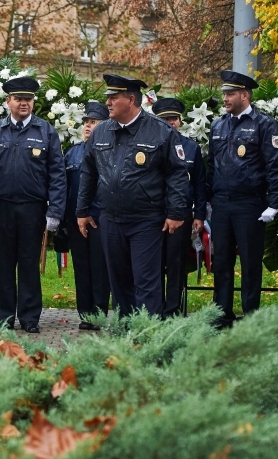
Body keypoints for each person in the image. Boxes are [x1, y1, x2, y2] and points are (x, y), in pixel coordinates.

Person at [76, 74, 188, 317]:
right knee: (119, 282)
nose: (108, 102)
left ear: (131, 99)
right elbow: (88, 172)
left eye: (113, 97)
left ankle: (147, 337)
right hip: (110, 219)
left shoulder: (161, 132)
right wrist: (82, 211)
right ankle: (124, 336)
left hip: (146, 220)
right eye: (108, 97)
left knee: (146, 282)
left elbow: (177, 174)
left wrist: (177, 212)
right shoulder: (101, 132)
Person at [0, 76, 65, 333]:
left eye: (28, 99)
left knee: (29, 263)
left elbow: (57, 174)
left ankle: (30, 318)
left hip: (33, 208)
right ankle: (4, 318)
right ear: (8, 101)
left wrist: (55, 211)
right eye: (18, 99)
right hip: (2, 207)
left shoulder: (46, 131)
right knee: (4, 263)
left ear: (33, 102)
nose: (23, 103)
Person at [206, 71, 278, 328]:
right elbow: (212, 165)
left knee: (251, 263)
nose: (225, 98)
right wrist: (208, 199)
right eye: (224, 94)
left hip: (250, 204)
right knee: (222, 261)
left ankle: (251, 317)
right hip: (221, 203)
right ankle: (222, 314)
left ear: (245, 94)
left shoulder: (265, 124)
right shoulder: (219, 125)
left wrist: (273, 203)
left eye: (230, 94)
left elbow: (275, 166)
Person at [151, 97, 207, 318]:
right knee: (153, 265)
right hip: (153, 213)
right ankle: (155, 309)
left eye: (173, 118)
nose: (170, 123)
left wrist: (199, 215)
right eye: (165, 119)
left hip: (181, 214)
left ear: (180, 121)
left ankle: (172, 310)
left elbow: (199, 184)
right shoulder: (149, 145)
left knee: (176, 264)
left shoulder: (191, 148)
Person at [64, 101, 110, 330]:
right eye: (86, 122)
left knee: (100, 269)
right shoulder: (72, 152)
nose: (88, 126)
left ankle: (99, 313)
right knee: (81, 268)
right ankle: (85, 314)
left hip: (98, 220)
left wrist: (93, 212)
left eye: (94, 122)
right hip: (75, 221)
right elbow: (66, 187)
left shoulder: (108, 150)